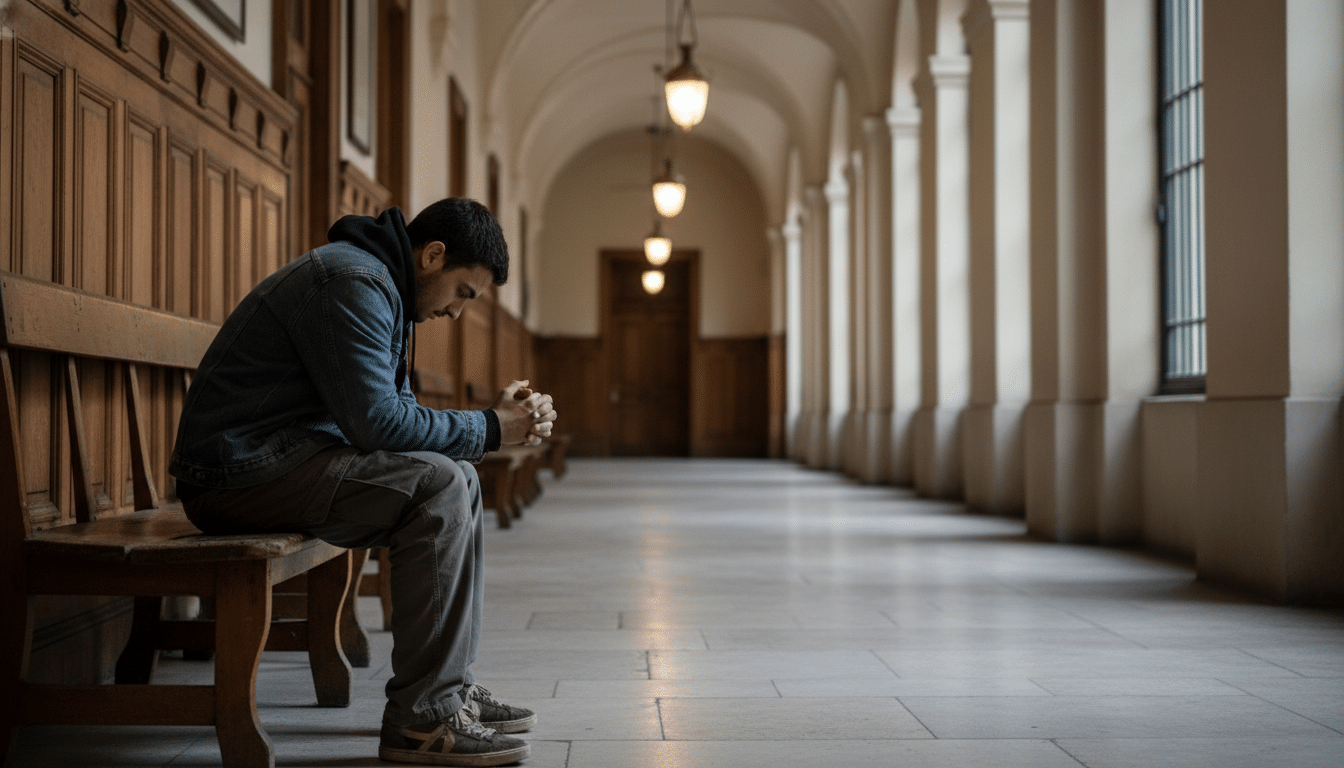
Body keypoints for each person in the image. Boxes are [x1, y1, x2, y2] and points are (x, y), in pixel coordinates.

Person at [169, 198, 555, 767]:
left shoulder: (383, 284)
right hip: (235, 474)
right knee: (442, 484)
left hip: (280, 460)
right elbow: (379, 424)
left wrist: (491, 424)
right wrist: (494, 427)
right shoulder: (353, 280)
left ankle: (446, 691)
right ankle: (422, 719)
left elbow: (392, 417)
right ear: (433, 255)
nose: (455, 312)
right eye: (462, 293)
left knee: (458, 478)